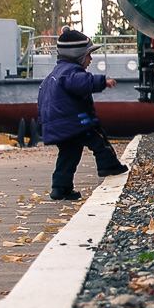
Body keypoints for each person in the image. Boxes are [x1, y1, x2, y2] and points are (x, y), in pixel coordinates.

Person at [37, 28, 129, 200]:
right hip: (75, 122)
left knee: (68, 154)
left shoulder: (53, 75)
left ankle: (60, 187)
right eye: (88, 55)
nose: (91, 59)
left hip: (59, 125)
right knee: (98, 139)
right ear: (78, 55)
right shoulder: (71, 72)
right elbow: (81, 82)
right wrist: (102, 82)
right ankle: (109, 165)